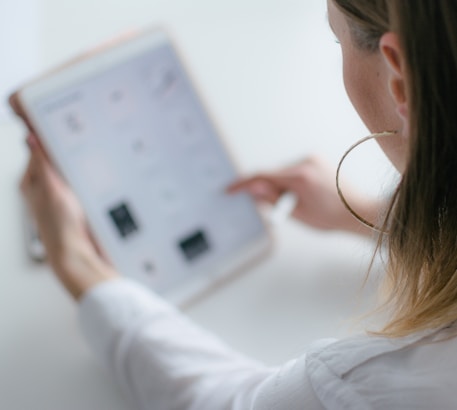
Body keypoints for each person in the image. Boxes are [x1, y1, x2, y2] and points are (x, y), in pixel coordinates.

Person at [20, 0, 457, 408]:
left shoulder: (376, 387)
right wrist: (360, 211)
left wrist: (77, 263)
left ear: (399, 78)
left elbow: (227, 400)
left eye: (337, 40)